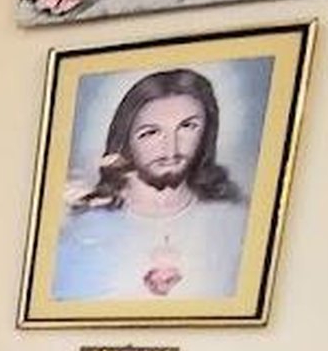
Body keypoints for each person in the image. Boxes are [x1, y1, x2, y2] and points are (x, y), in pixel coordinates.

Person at [50, 67, 250, 303]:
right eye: (151, 133)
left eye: (187, 127)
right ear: (125, 138)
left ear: (207, 132)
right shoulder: (78, 228)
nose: (171, 148)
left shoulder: (236, 219)